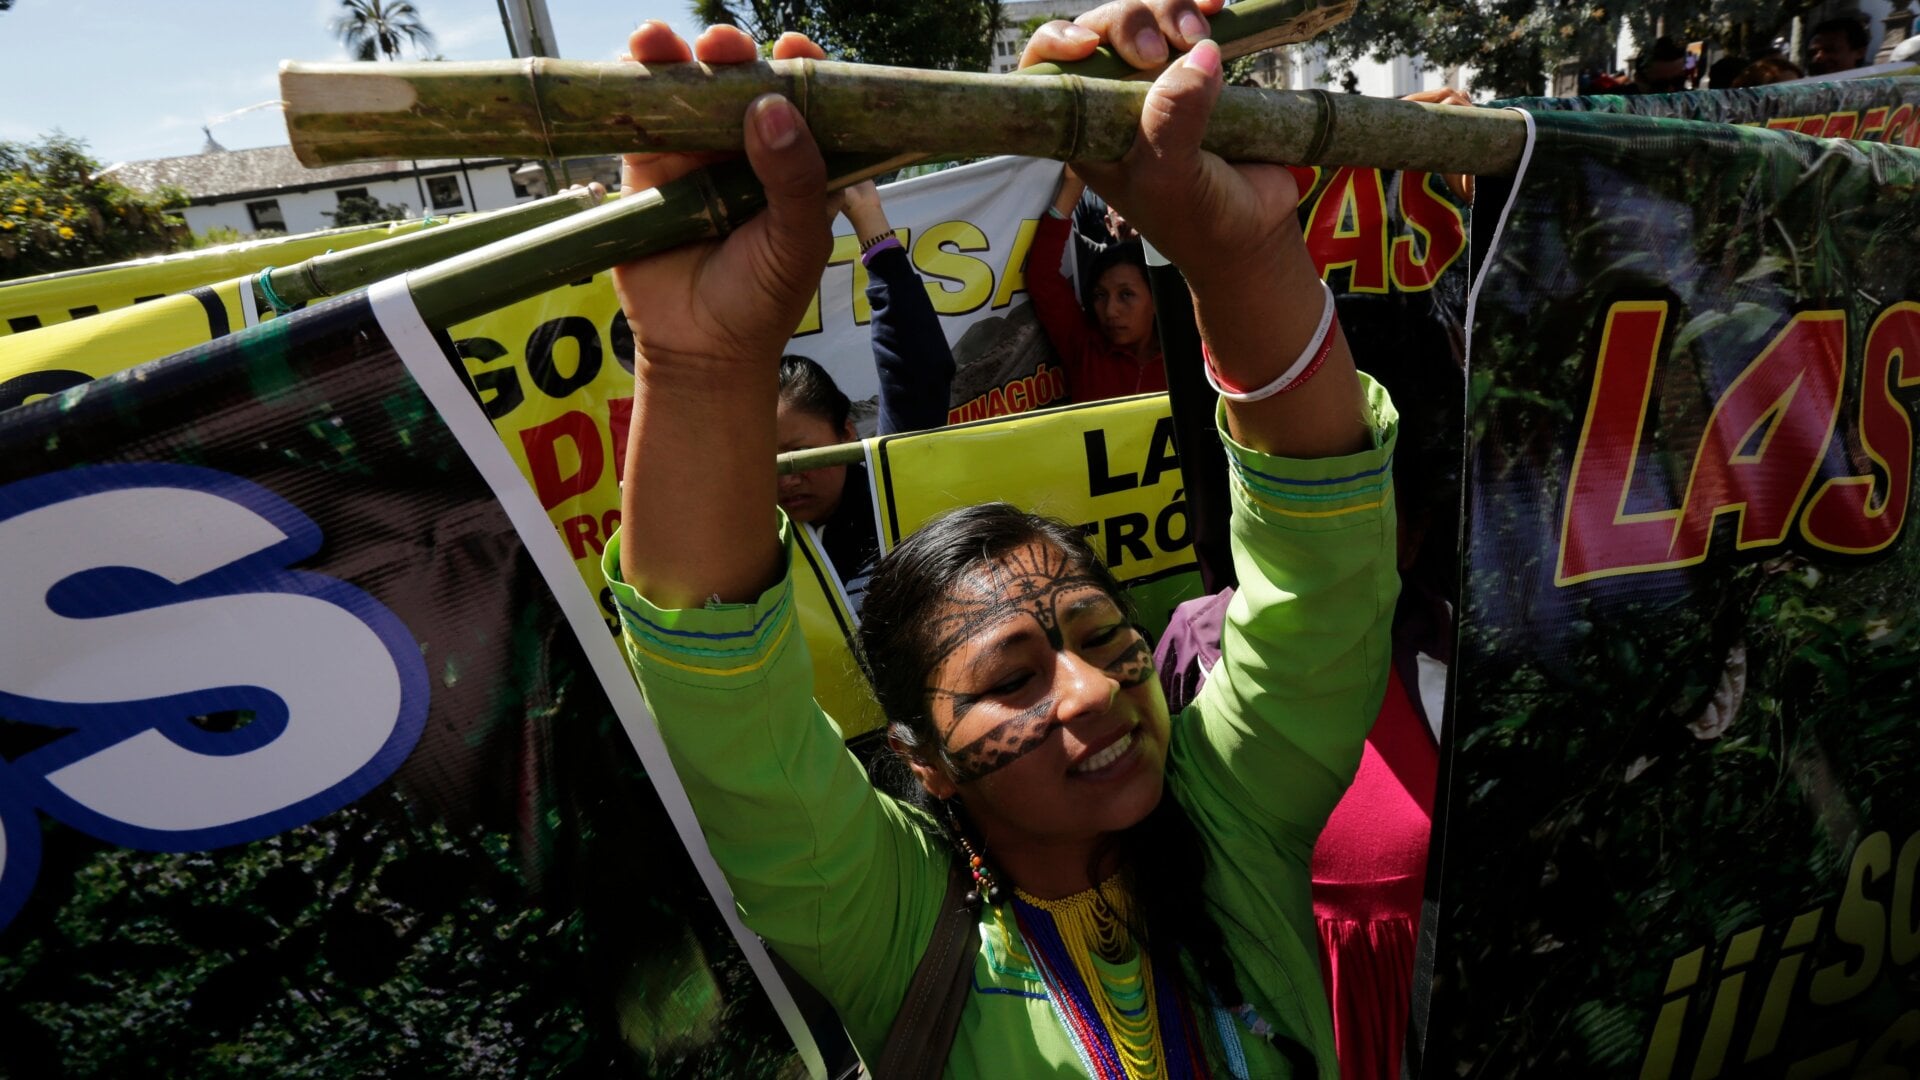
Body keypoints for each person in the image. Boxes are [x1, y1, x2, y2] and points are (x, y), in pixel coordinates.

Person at [606, 2, 1399, 1076]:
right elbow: (728, 723)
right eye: (1011, 679)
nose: (1090, 694)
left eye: (1098, 634)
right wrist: (697, 364)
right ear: (923, 764)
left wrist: (1244, 249)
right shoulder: (888, 924)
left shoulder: (1234, 821)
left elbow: (1327, 564)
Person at [775, 179, 955, 610]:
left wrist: (866, 215)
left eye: (799, 456)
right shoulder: (750, 543)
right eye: (766, 464)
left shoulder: (889, 494)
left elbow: (918, 373)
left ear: (847, 435)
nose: (786, 480)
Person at [1026, 166, 1168, 403]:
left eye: (1126, 295)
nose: (1111, 311)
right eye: (1100, 295)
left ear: (1156, 301)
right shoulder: (1084, 349)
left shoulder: (1189, 356)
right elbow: (1042, 275)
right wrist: (1073, 184)